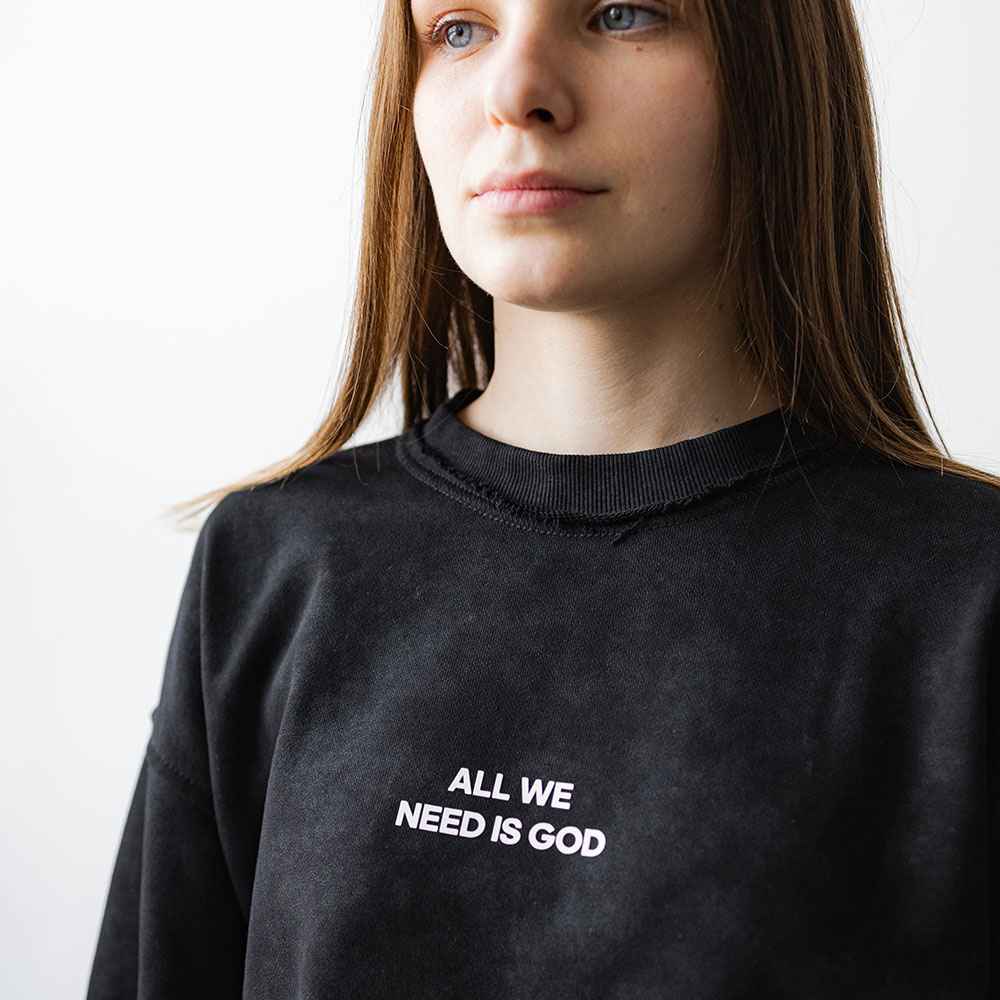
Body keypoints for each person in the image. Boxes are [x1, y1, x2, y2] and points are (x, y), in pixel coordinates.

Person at [86, 0, 1000, 997]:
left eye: (621, 13)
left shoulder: (966, 602)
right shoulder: (269, 565)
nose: (516, 91)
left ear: (775, 70)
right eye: (459, 29)